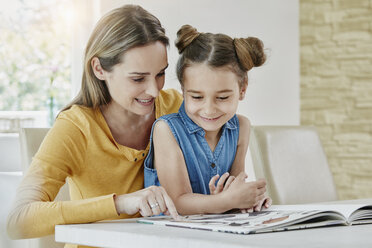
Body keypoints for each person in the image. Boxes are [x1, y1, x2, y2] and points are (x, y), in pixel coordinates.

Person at [7, 4, 183, 244]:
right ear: (99, 68)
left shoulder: (176, 106)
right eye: (138, 78)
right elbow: (18, 221)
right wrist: (119, 202)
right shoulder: (76, 127)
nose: (154, 90)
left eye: (160, 74)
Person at [144, 25, 271, 215]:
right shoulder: (166, 130)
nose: (209, 110)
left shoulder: (241, 127)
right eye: (196, 97)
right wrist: (224, 201)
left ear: (242, 89)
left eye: (222, 98)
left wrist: (248, 200)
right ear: (183, 89)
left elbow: (232, 191)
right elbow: (177, 203)